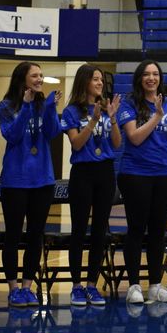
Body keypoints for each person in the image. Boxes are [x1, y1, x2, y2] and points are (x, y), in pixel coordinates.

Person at [116, 60, 167, 305]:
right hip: (135, 173)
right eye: (147, 74)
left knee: (158, 230)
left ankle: (156, 285)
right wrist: (157, 116)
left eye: (155, 74)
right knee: (137, 229)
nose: (151, 78)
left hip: (165, 173)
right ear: (140, 78)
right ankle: (134, 286)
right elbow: (135, 138)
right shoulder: (129, 104)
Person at [0, 61, 61, 308]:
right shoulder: (6, 106)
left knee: (36, 236)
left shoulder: (43, 105)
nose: (40, 79)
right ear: (22, 79)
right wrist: (24, 106)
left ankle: (27, 287)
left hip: (42, 180)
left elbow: (53, 133)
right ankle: (13, 288)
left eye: (41, 75)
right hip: (15, 181)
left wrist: (52, 109)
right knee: (13, 235)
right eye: (35, 75)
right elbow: (12, 136)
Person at [60, 64, 121, 307]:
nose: (100, 83)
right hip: (83, 172)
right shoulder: (71, 111)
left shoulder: (106, 108)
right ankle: (76, 286)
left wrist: (112, 118)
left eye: (101, 80)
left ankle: (92, 284)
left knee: (99, 231)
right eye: (95, 79)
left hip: (105, 172)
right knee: (79, 230)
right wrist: (93, 120)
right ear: (84, 81)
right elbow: (76, 143)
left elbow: (116, 143)